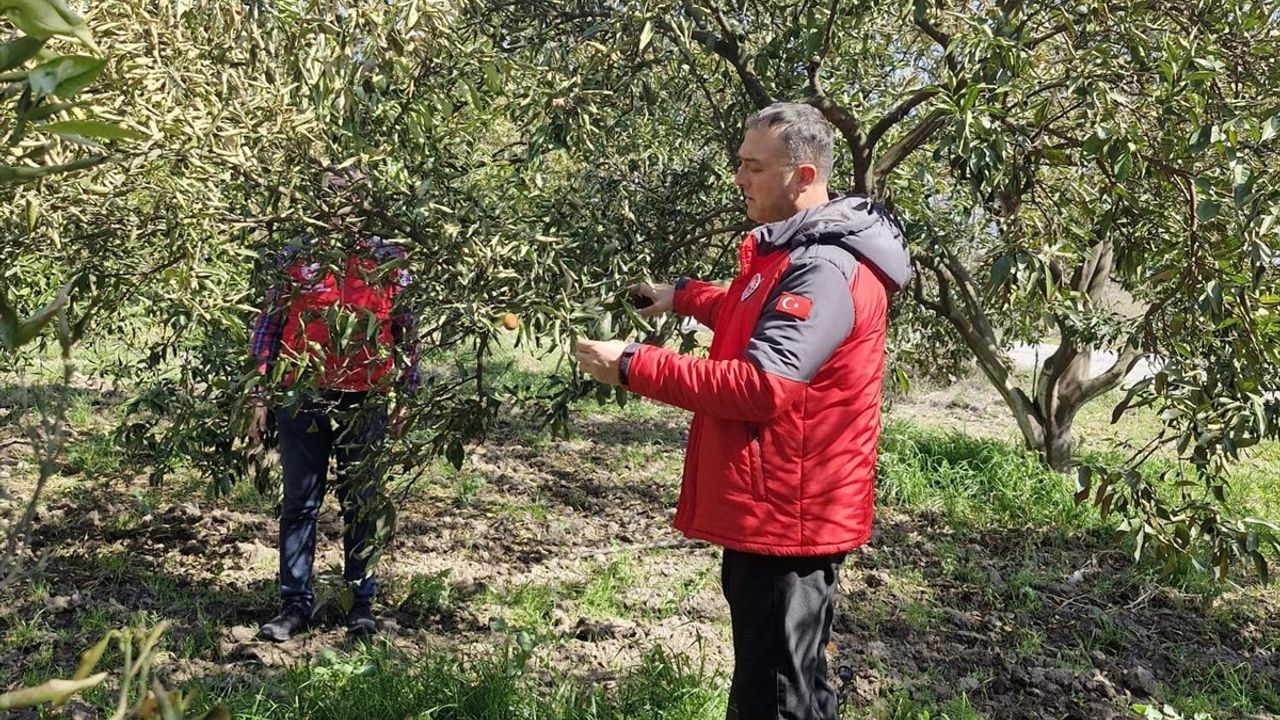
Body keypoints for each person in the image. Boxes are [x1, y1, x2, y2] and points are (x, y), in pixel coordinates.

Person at [575, 103, 910, 719]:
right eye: (740, 163)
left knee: (774, 696)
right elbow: (748, 305)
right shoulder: (795, 252)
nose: (739, 179)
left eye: (754, 167)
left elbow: (760, 386)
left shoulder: (824, 268)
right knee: (790, 683)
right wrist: (681, 297)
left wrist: (632, 364)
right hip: (775, 508)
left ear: (803, 177)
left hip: (788, 519)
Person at [248, 164, 419, 641]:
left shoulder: (390, 259)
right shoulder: (296, 256)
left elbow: (406, 328)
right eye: (333, 202)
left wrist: (406, 394)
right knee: (300, 502)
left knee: (361, 502)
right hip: (301, 393)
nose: (341, 212)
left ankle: (360, 603)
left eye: (350, 201)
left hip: (366, 397)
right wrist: (260, 390)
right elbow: (270, 324)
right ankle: (294, 605)